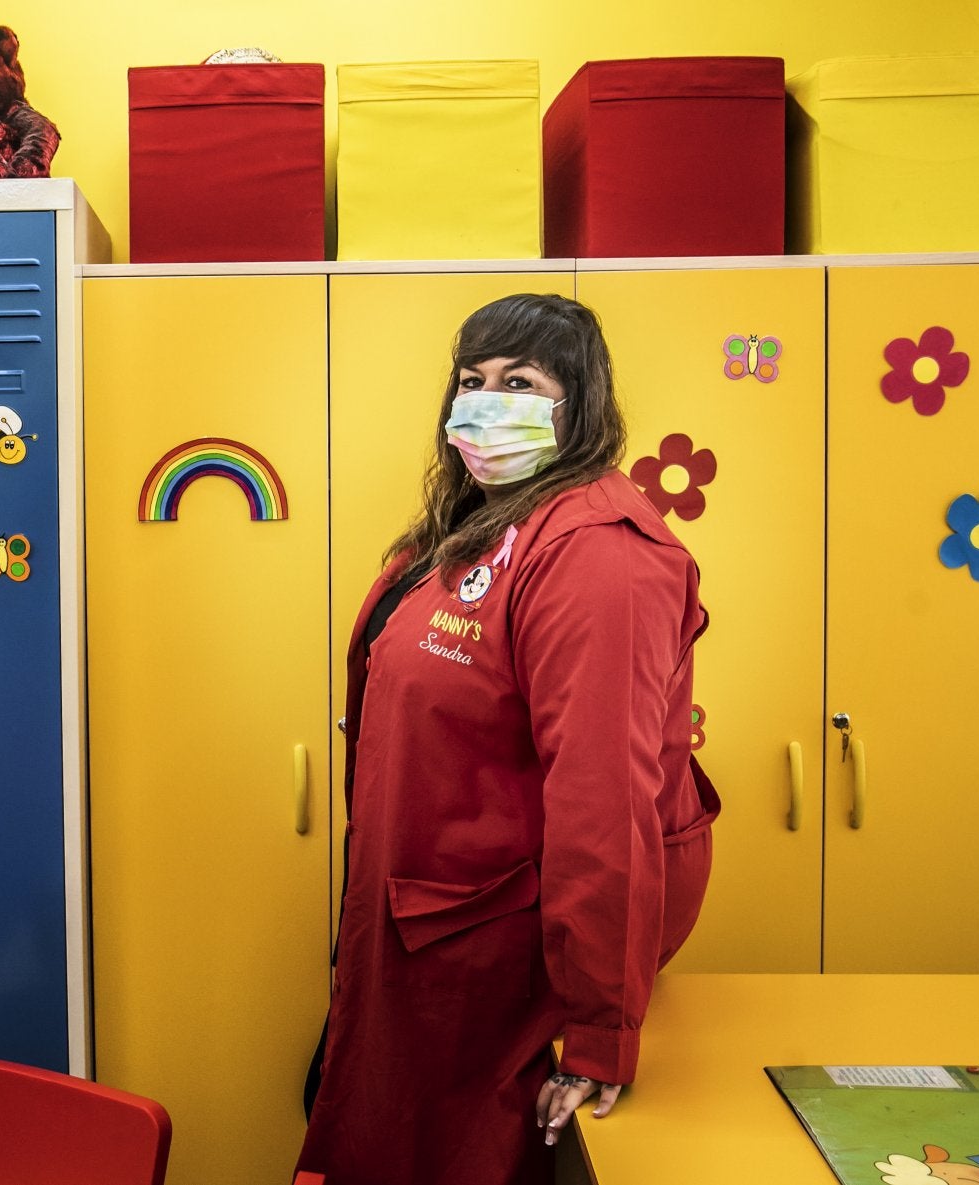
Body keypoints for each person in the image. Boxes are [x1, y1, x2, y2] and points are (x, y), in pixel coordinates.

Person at [295, 293, 720, 1185]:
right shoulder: (475, 526)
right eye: (472, 379)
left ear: (580, 404)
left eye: (520, 381)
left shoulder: (598, 551)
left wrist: (599, 1030)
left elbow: (604, 804)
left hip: (499, 962)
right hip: (421, 927)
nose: (487, 401)